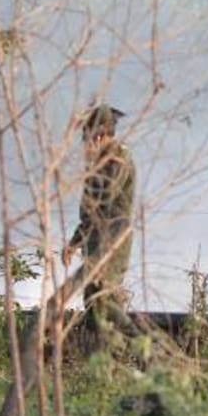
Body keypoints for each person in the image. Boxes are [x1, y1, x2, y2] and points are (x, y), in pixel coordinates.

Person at [63, 104, 137, 353]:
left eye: (91, 136)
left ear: (101, 134)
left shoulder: (119, 157)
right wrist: (75, 242)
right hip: (95, 241)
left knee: (107, 297)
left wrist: (95, 164)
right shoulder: (96, 162)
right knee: (92, 299)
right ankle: (100, 359)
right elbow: (88, 211)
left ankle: (134, 350)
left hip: (114, 240)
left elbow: (105, 195)